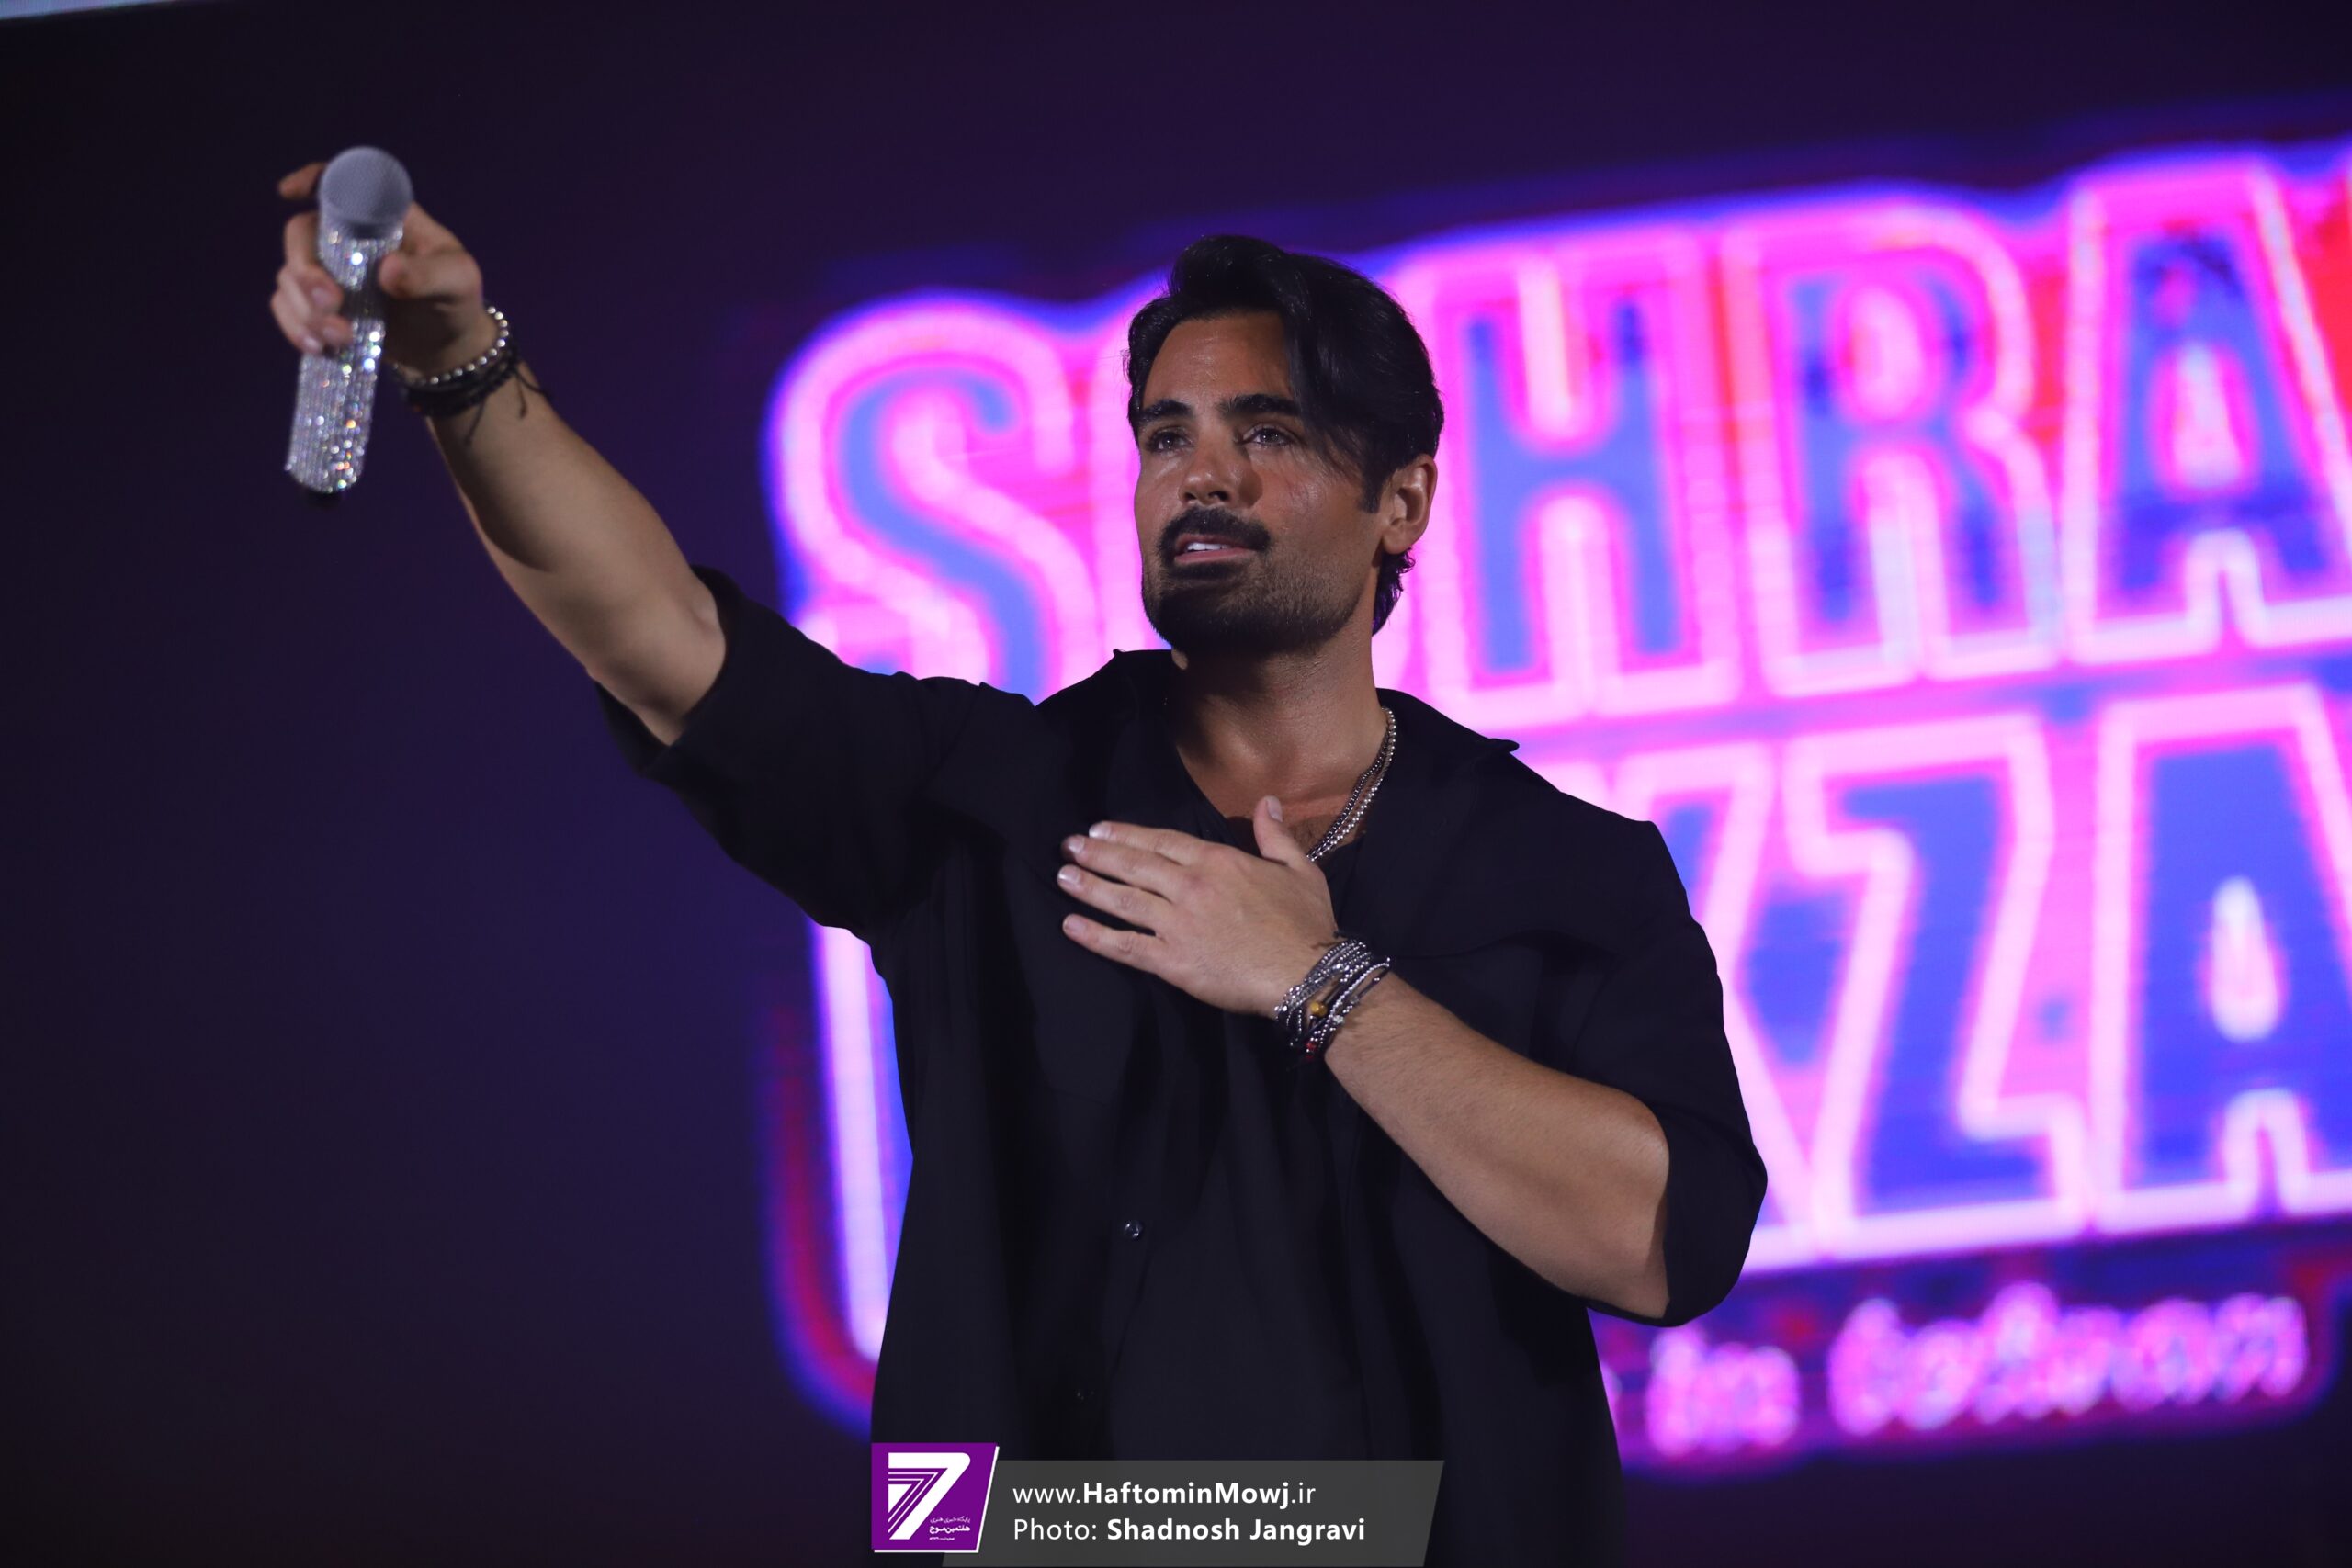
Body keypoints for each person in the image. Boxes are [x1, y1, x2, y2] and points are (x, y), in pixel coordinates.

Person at [269, 161, 1767, 1565]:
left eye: (1268, 433)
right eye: (1167, 436)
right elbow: (659, 640)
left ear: (1404, 502)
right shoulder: (995, 797)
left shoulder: (1567, 870)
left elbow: (1658, 1247)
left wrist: (1319, 982)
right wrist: (458, 362)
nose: (1202, 475)